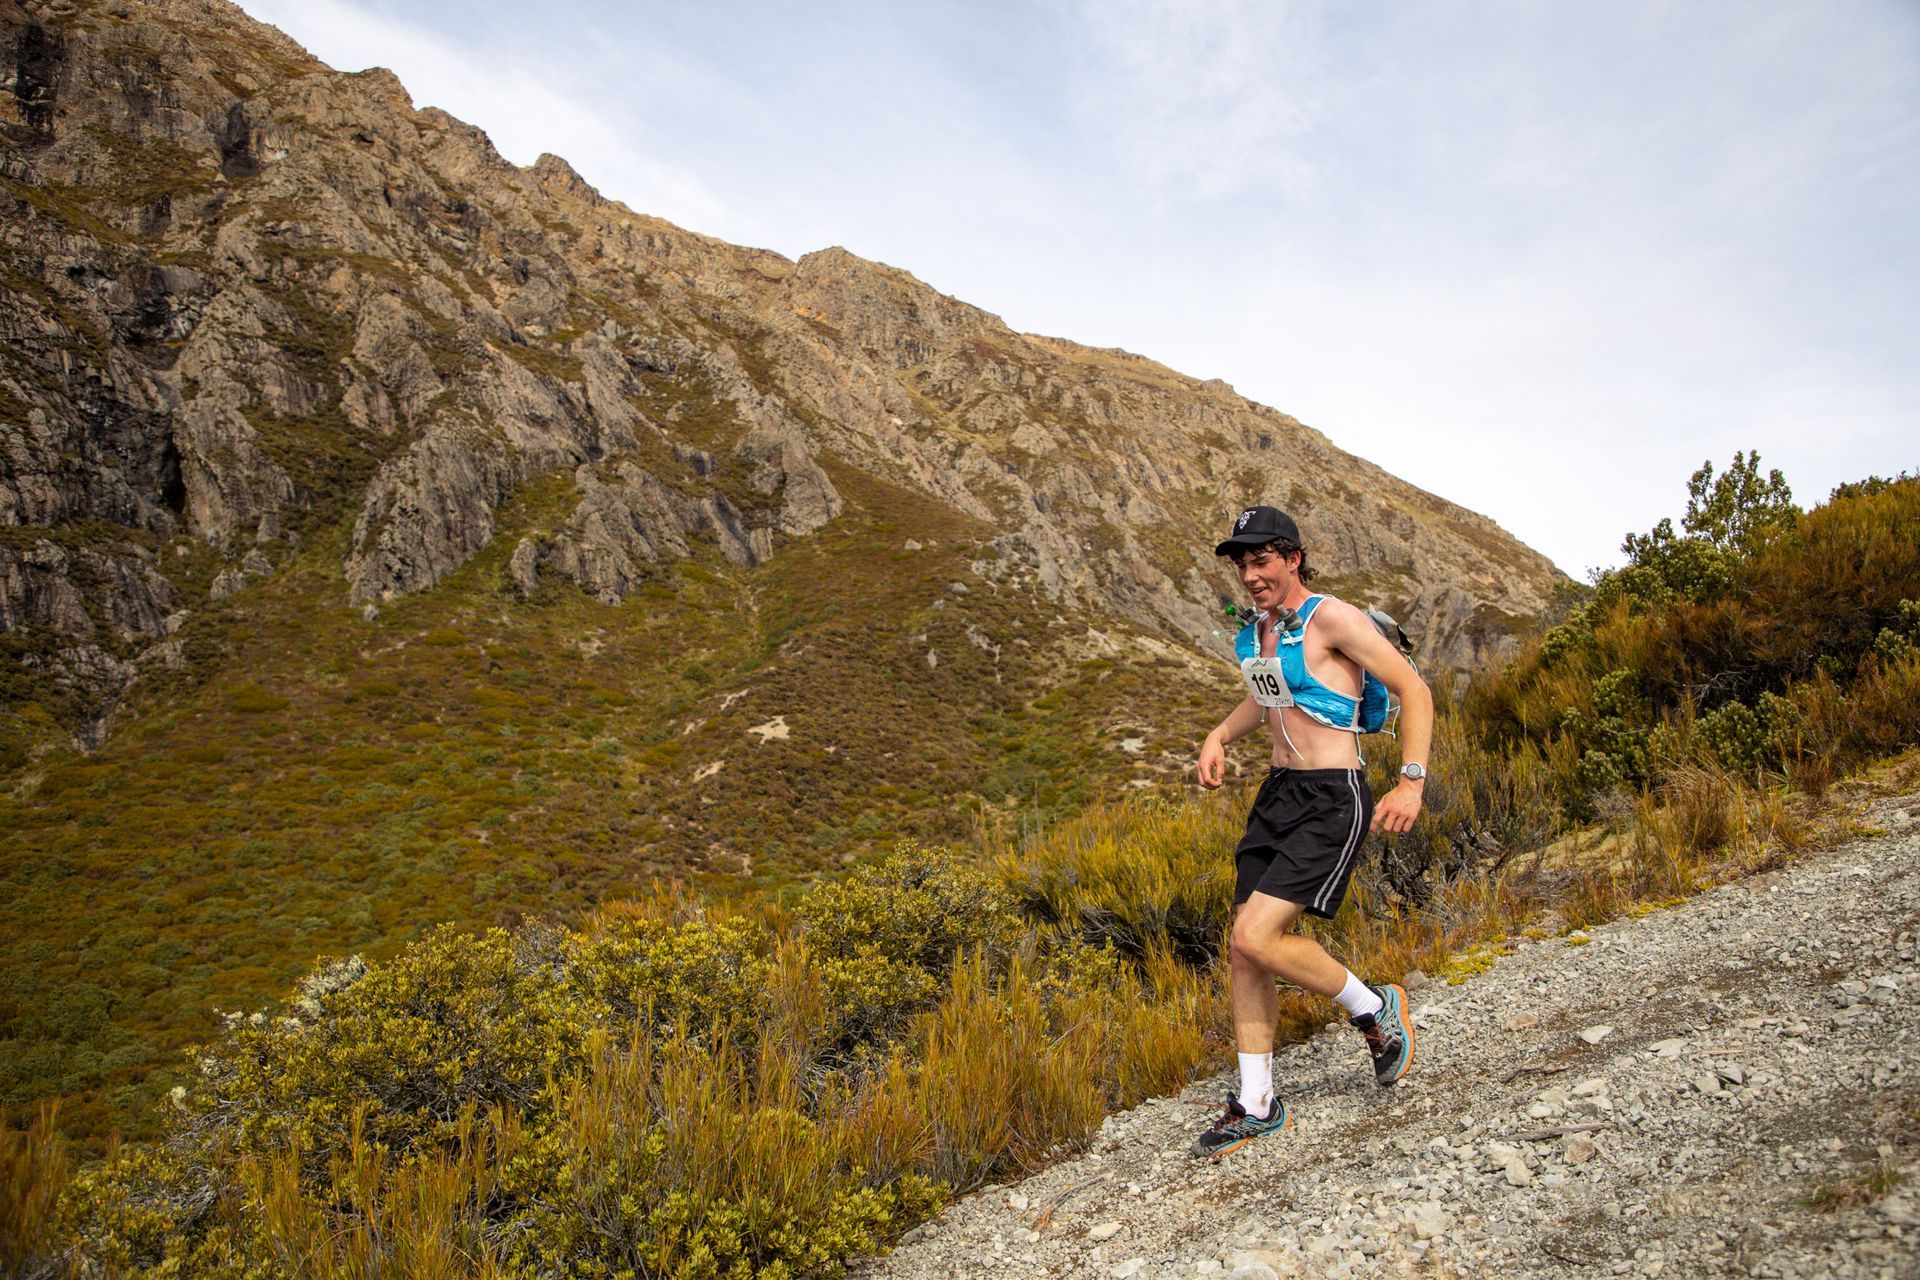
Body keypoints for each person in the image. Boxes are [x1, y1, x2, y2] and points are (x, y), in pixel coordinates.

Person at [1189, 505, 1434, 1159]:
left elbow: (1413, 687)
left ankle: (1372, 1006)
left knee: (1257, 934)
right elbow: (1268, 698)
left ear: (1292, 557)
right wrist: (1220, 734)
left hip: (1332, 797)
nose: (1250, 574)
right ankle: (1258, 1103)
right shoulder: (1258, 630)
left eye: (1261, 559)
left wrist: (1410, 781)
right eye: (1241, 563)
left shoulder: (1332, 618)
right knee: (1246, 951)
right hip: (1277, 797)